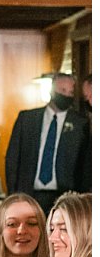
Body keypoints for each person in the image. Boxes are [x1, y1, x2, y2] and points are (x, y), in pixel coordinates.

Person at [5, 72, 83, 216]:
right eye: (62, 91)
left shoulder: (80, 124)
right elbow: (12, 158)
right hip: (29, 193)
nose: (66, 95)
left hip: (64, 197)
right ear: (52, 91)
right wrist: (13, 194)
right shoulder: (27, 119)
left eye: (70, 92)